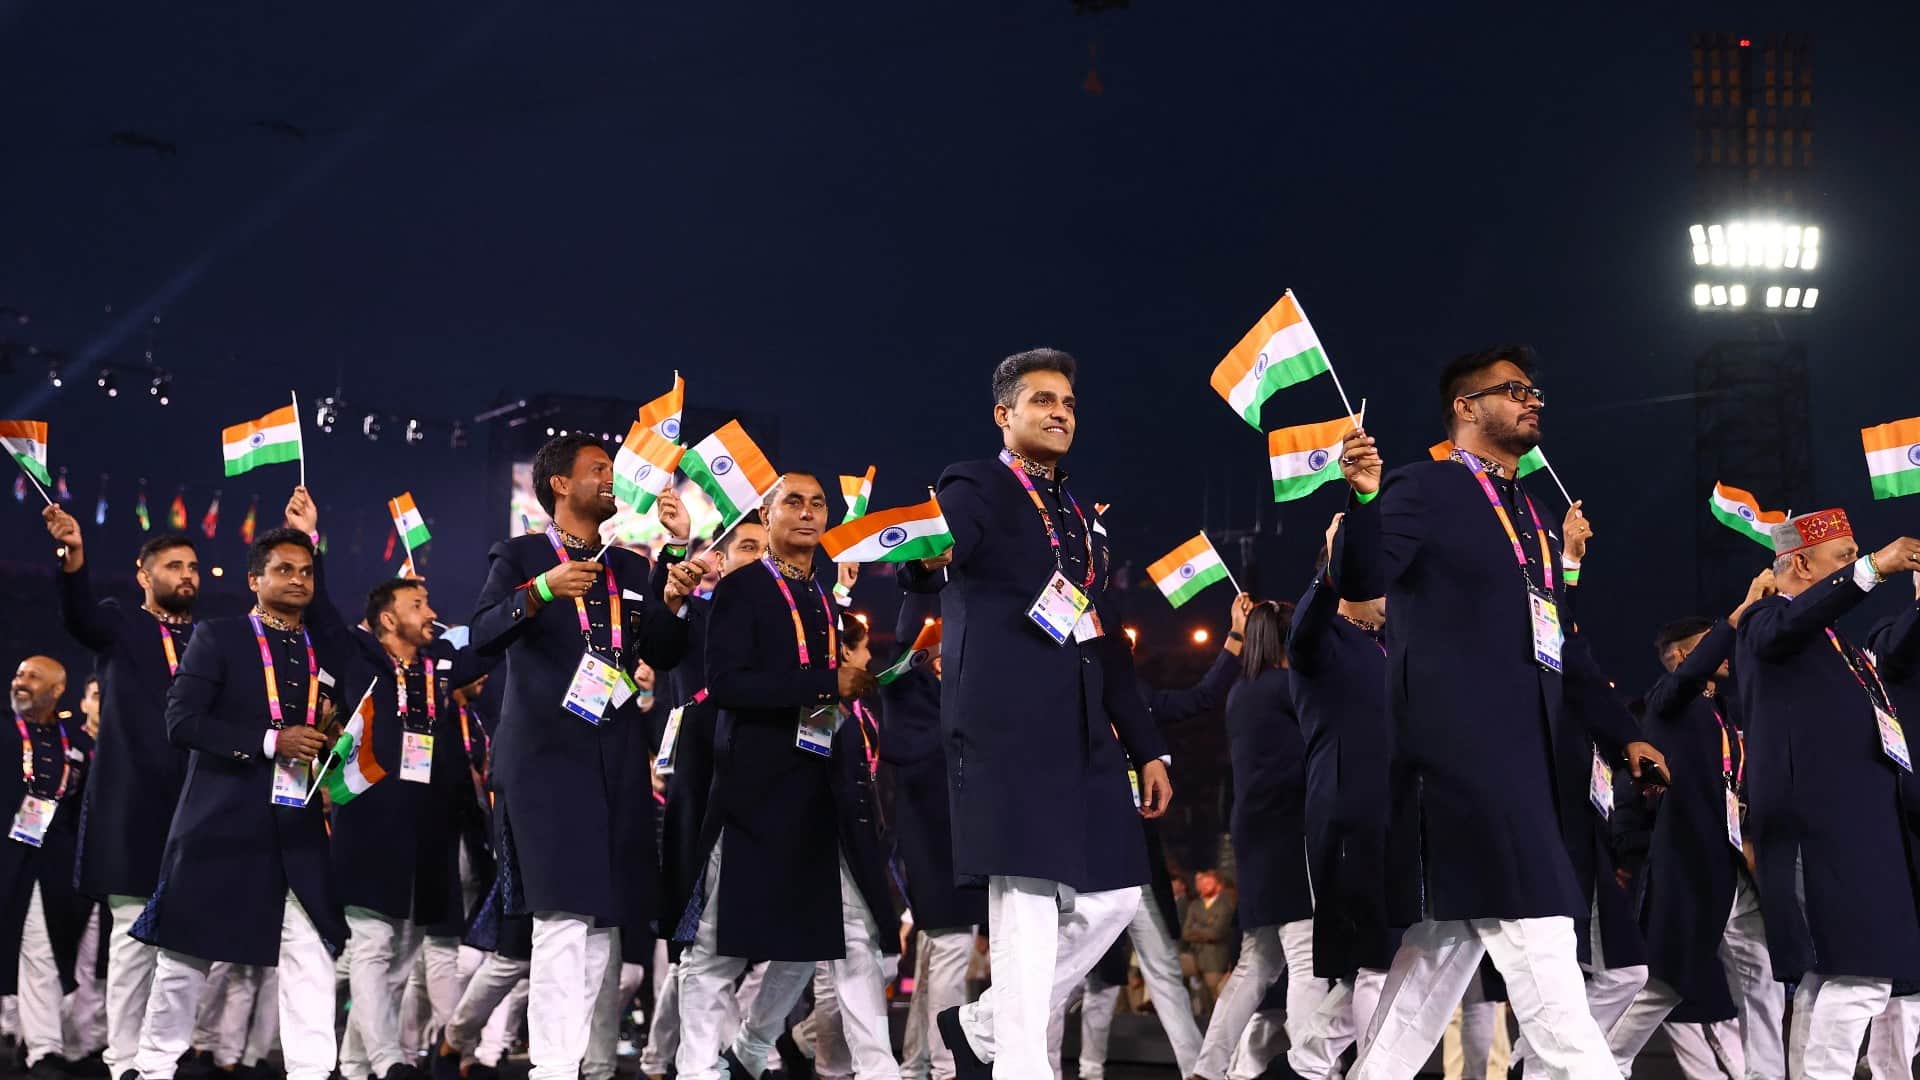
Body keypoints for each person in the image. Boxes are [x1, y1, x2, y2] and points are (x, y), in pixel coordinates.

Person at [1334, 345, 1668, 1080]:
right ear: (1465, 405)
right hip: (1462, 756)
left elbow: (1560, 643)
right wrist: (1362, 497)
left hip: (1534, 758)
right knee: (1541, 931)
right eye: (1513, 389)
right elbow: (1359, 580)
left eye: (1534, 390)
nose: (1533, 399)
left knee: (1437, 964)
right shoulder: (1422, 487)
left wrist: (1626, 738)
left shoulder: (1537, 515)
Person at [900, 348, 1173, 1079]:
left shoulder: (1081, 517)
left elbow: (1106, 639)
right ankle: (1020, 1062)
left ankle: (985, 1025)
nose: (1060, 412)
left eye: (1070, 404)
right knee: (1021, 903)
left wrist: (1146, 746)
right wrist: (925, 558)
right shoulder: (976, 483)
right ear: (1005, 414)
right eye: (1043, 400)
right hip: (1003, 726)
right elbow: (935, 551)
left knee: (1115, 896)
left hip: (1083, 732)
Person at [468, 433, 698, 1080]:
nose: (610, 480)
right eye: (597, 470)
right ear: (560, 484)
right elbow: (481, 635)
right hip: (545, 758)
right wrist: (540, 590)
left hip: (616, 754)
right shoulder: (517, 554)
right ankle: (552, 1066)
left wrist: (675, 566)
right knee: (564, 917)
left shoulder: (629, 564)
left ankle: (584, 1064)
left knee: (603, 920)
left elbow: (664, 649)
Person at [130, 490, 357, 1080]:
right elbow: (181, 722)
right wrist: (268, 740)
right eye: (284, 570)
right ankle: (152, 1068)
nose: (298, 579)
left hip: (297, 828)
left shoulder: (322, 648)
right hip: (221, 822)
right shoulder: (220, 636)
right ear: (255, 580)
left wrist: (330, 742)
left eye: (307, 571)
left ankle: (312, 1071)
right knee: (185, 958)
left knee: (311, 957)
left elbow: (356, 699)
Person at [671, 471, 889, 1080]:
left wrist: (838, 698)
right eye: (792, 502)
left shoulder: (820, 597)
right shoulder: (742, 588)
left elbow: (819, 700)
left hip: (811, 788)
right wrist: (827, 684)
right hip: (751, 788)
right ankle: (695, 1067)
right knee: (718, 943)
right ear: (765, 518)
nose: (807, 513)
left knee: (816, 935)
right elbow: (731, 685)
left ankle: (749, 1049)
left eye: (818, 504)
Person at [1735, 510, 1920, 1080]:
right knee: (1862, 974)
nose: (1854, 566)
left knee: (1834, 976)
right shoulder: (1767, 621)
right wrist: (1874, 568)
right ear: (1798, 563)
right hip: (1820, 824)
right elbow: (1787, 625)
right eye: (1843, 557)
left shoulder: (1834, 644)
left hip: (1859, 823)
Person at [1605, 572, 1785, 1080]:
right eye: (1709, 646)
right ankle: (1599, 1064)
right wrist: (1738, 613)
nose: (1724, 651)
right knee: (1666, 983)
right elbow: (1682, 685)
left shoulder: (1720, 712)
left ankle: (1767, 1074)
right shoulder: (1668, 702)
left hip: (1730, 868)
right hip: (1689, 866)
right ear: (1682, 657)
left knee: (1763, 978)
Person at [44, 506, 201, 1080]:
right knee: (135, 944)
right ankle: (123, 1063)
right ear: (143, 574)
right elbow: (79, 616)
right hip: (131, 807)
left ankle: (162, 1058)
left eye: (193, 566)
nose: (186, 575)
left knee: (184, 950)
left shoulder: (211, 639)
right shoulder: (120, 623)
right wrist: (74, 559)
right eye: (173, 565)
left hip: (196, 811)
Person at [332, 579, 494, 1080]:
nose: (431, 612)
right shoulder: (359, 659)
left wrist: (534, 596)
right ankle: (386, 1059)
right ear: (386, 619)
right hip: (369, 824)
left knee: (402, 955)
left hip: (427, 829)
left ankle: (357, 1065)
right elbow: (320, 617)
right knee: (373, 946)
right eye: (417, 605)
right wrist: (312, 542)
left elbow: (490, 644)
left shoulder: (438, 668)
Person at [1193, 600, 1344, 1080]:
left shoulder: (1242, 692)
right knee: (1305, 957)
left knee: (1255, 962)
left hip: (1252, 833)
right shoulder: (1289, 688)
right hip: (1289, 831)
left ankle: (1207, 1068)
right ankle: (1308, 1070)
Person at [643, 513, 768, 1080]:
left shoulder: (785, 618)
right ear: (718, 558)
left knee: (750, 942)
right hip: (704, 780)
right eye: (745, 547)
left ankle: (736, 1050)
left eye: (763, 549)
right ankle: (693, 1061)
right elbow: (660, 639)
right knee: (701, 936)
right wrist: (674, 557)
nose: (756, 558)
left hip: (770, 787)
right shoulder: (702, 611)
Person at [1287, 512, 1401, 1058]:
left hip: (1396, 814)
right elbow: (1306, 623)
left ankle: (1311, 1061)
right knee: (1373, 958)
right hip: (1349, 813)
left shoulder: (1387, 645)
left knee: (1389, 957)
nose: (1389, 590)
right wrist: (1335, 563)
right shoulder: (1320, 639)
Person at [880, 590, 982, 1080]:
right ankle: (946, 1066)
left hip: (959, 846)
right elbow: (903, 641)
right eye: (939, 655)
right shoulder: (906, 693)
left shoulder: (962, 702)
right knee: (951, 948)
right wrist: (921, 581)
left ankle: (917, 1061)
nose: (946, 663)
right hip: (931, 845)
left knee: (938, 953)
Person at [4, 655, 90, 1080]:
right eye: (19, 674)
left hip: (45, 859)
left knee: (40, 949)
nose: (21, 682)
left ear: (57, 690)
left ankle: (43, 1048)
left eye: (33, 676)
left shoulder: (73, 740)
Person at [1866, 572, 1920, 1080]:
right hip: (1906, 818)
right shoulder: (1890, 637)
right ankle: (1890, 1071)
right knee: (1906, 970)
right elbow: (1898, 650)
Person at [1180, 872, 1234, 1017]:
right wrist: (1206, 930)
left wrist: (1197, 929)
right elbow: (1185, 932)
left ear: (1218, 885)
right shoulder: (1195, 904)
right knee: (1202, 999)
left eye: (1208, 883)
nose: (1204, 887)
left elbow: (1217, 933)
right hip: (1196, 957)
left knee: (1217, 997)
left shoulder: (1226, 905)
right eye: (1202, 884)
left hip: (1215, 959)